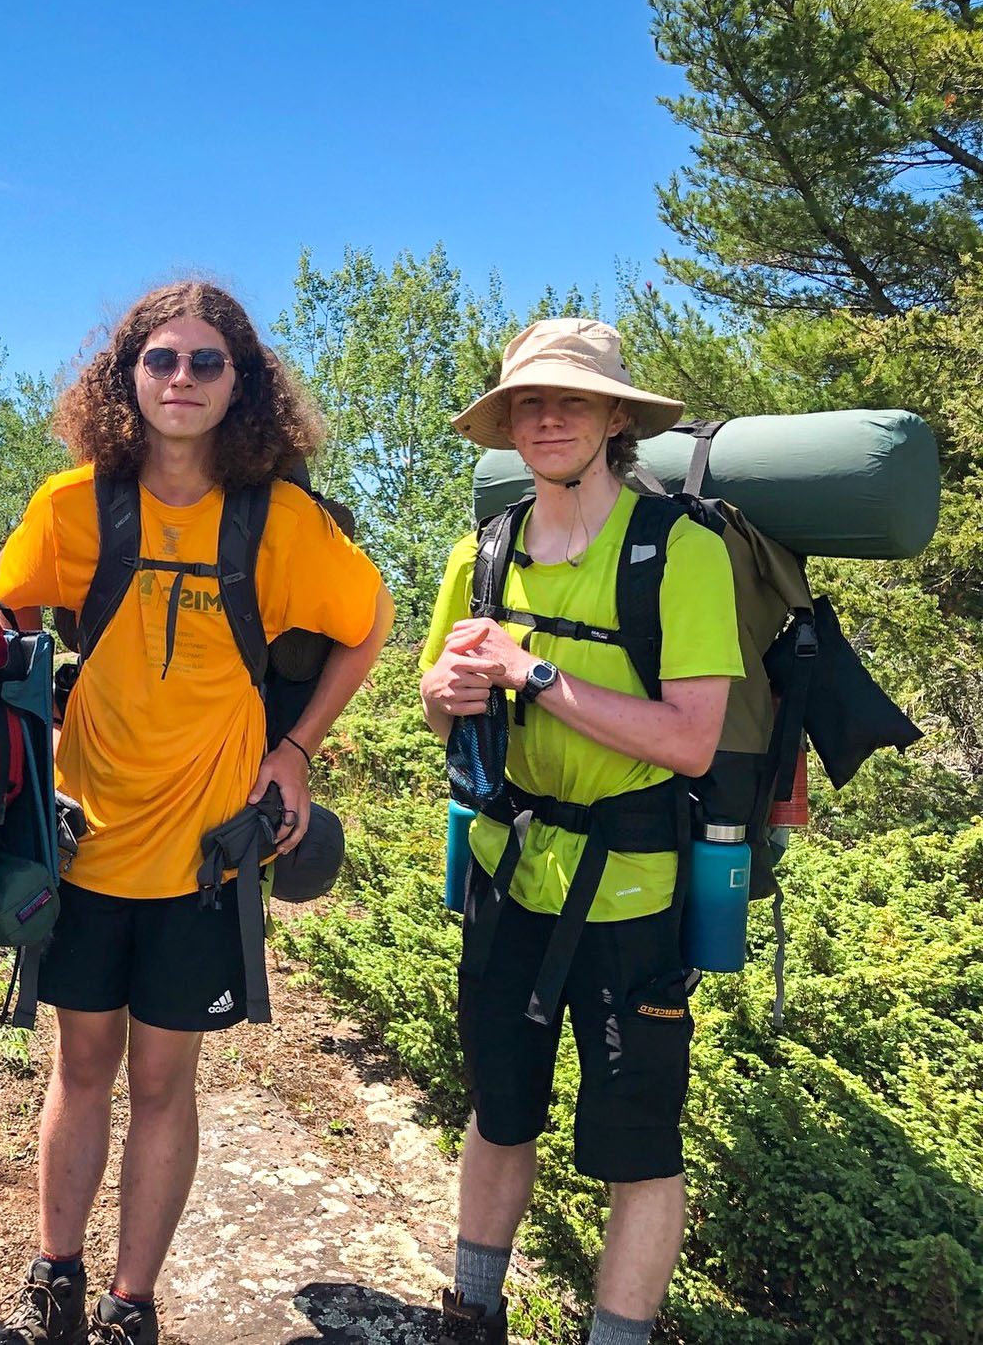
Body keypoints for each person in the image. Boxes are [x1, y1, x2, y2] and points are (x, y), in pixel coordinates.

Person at [0, 281, 392, 1345]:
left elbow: (366, 623)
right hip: (84, 842)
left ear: (240, 384)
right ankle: (52, 1287)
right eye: (159, 360)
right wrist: (28, 760)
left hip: (206, 851)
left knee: (163, 1080)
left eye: (206, 363)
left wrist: (294, 750)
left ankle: (130, 1306)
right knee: (79, 1068)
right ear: (125, 377)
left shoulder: (281, 522)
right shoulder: (73, 504)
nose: (180, 380)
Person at [418, 319, 741, 1345]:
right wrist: (443, 691)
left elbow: (690, 742)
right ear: (508, 425)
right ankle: (470, 1313)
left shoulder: (678, 554)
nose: (545, 416)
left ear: (613, 419)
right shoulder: (484, 552)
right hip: (504, 874)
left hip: (631, 891)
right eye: (526, 402)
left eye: (568, 400)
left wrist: (535, 675)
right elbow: (440, 709)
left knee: (638, 1149)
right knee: (496, 1108)